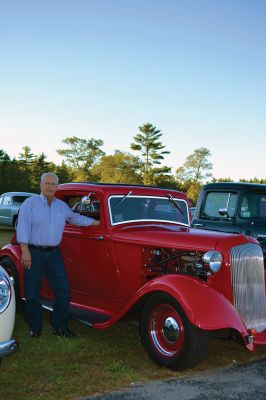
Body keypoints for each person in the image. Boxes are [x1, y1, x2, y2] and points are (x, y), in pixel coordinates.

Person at [16, 172, 100, 338]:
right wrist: (25, 252)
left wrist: (97, 222)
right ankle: (35, 327)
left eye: (53, 184)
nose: (49, 186)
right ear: (40, 185)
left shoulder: (61, 206)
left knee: (63, 291)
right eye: (46, 183)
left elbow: (75, 218)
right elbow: (23, 228)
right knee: (32, 292)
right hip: (34, 252)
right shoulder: (30, 203)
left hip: (54, 253)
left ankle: (60, 326)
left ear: (56, 187)